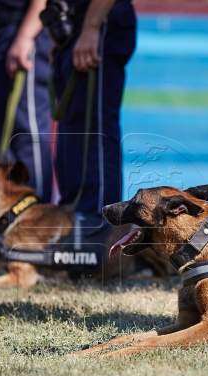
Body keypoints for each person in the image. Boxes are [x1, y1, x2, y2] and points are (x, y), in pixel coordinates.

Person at [49, 0, 136, 217]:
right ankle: (77, 222)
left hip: (97, 17)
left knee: (93, 128)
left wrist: (92, 26)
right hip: (76, 20)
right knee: (75, 129)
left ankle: (98, 226)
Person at [0, 0, 53, 202]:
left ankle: (38, 212)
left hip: (23, 29)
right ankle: (11, 212)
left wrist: (26, 35)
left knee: (26, 131)